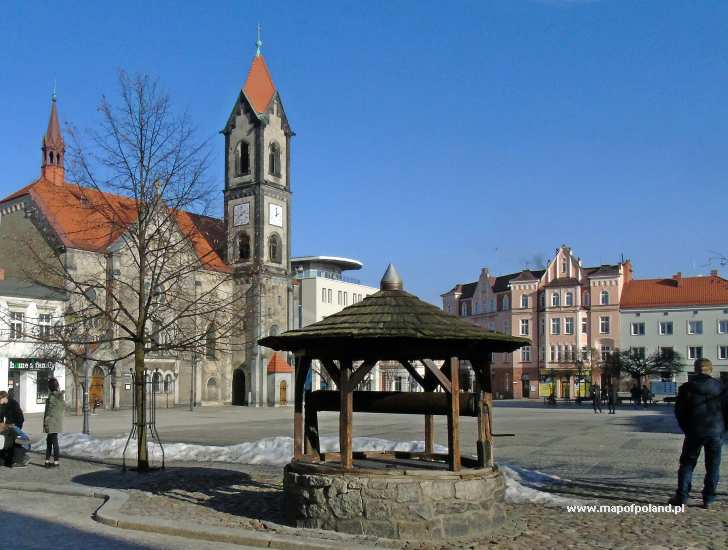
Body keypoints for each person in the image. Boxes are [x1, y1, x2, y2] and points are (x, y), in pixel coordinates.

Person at [669, 359, 728, 508]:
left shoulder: (687, 388)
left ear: (695, 370)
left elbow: (679, 412)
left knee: (687, 464)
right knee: (713, 466)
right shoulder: (721, 388)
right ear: (711, 370)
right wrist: (723, 430)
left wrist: (687, 429)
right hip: (715, 432)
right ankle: (708, 498)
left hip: (694, 432)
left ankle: (682, 495)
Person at [0, 391, 30, 467]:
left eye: (0, 399)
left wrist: (15, 426)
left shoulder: (14, 404)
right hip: (8, 426)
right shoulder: (2, 405)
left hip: (15, 425)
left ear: (4, 397)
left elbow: (20, 418)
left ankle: (22, 457)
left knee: (17, 441)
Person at [43, 378, 64, 468]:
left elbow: (49, 411)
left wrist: (46, 421)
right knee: (51, 441)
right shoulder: (60, 397)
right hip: (57, 421)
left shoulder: (52, 397)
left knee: (52, 442)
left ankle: (54, 462)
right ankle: (49, 461)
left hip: (51, 422)